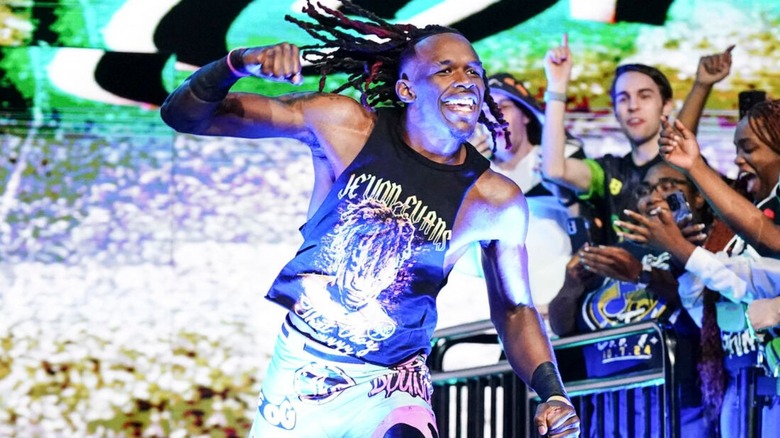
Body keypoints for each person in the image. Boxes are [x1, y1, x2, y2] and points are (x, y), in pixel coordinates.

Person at [159, 1, 579, 437]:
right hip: (303, 368)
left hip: (393, 381)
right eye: (445, 69)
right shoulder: (344, 126)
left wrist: (552, 391)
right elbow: (184, 115)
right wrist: (235, 63)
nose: (466, 80)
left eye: (474, 71)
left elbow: (514, 308)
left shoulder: (493, 198)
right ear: (406, 90)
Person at [619, 99, 780, 437]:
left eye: (749, 148)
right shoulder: (735, 227)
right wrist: (681, 257)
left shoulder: (754, 221)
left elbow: (765, 246)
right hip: (743, 383)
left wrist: (683, 249)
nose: (737, 160)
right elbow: (721, 301)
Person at [548, 161, 710, 437]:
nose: (653, 196)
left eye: (668, 187)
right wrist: (570, 286)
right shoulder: (614, 253)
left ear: (697, 197)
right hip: (609, 415)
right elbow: (562, 326)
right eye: (645, 189)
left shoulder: (701, 248)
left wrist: (641, 274)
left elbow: (700, 302)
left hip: (677, 414)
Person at [540, 39, 734, 246]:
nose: (633, 106)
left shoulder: (688, 166)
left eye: (644, 96)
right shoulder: (608, 171)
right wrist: (557, 86)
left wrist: (701, 85)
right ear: (615, 110)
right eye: (623, 98)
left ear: (666, 105)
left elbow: (677, 142)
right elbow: (554, 170)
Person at [466, 72, 588, 322]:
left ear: (525, 115)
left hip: (561, 305)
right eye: (485, 111)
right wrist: (462, 176)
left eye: (503, 107)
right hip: (497, 315)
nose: (494, 117)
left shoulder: (556, 160)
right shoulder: (474, 173)